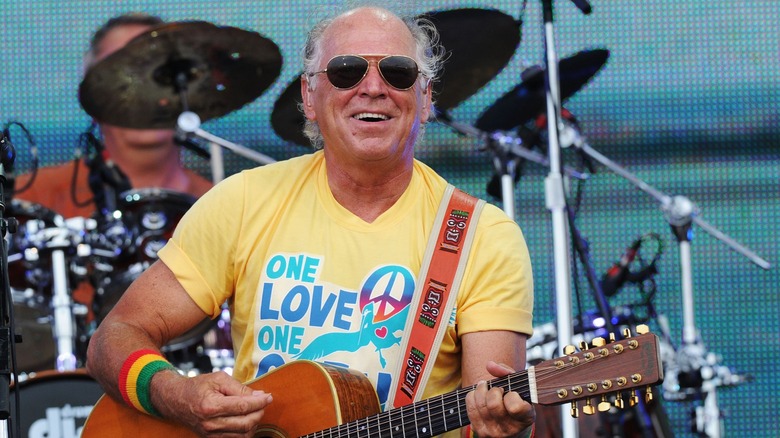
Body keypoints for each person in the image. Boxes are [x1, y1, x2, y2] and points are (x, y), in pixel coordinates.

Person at [86, 5, 535, 438]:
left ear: (425, 98)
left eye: (397, 72)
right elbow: (115, 337)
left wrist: (504, 430)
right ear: (309, 96)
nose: (373, 87)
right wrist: (177, 394)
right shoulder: (243, 200)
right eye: (346, 71)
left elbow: (491, 415)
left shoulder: (483, 236)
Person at [11, 12, 213, 370]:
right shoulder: (31, 199)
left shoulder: (229, 202)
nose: (141, 83)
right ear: (91, 91)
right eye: (121, 67)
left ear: (187, 91)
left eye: (157, 69)